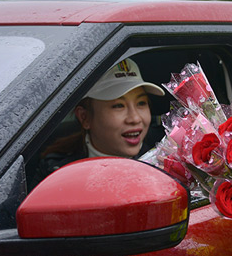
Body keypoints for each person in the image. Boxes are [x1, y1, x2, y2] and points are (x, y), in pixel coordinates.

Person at [36, 57, 165, 178]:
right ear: (84, 117)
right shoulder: (56, 171)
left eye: (141, 103)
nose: (135, 118)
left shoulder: (165, 156)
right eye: (119, 105)